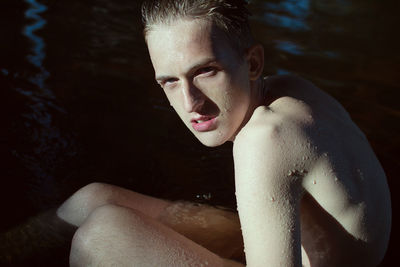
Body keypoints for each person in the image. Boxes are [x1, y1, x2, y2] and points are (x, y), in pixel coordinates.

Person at [54, 0, 392, 266]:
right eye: (169, 81)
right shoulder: (291, 89)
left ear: (253, 63)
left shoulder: (264, 139)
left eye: (205, 71)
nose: (190, 103)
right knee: (91, 201)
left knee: (99, 238)